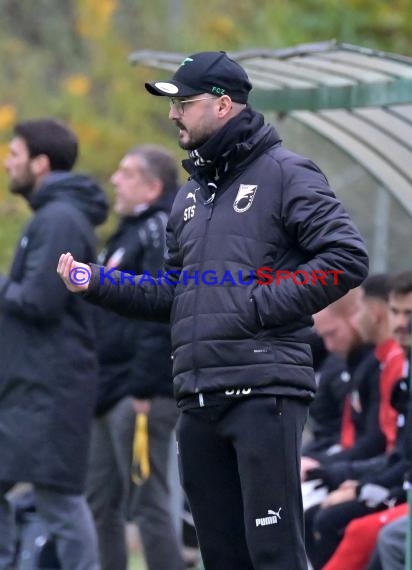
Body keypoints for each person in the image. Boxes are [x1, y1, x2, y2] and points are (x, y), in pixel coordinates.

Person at [57, 51, 368, 569]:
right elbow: (175, 297)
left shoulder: (286, 173)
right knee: (221, 556)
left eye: (185, 101)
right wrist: (97, 282)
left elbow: (345, 256)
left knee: (274, 553)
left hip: (264, 392)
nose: (174, 113)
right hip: (199, 397)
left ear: (224, 106)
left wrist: (258, 304)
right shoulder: (190, 197)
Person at [0, 118, 108, 569]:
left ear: (40, 164)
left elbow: (40, 299)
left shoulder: (59, 218)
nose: (7, 162)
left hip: (51, 386)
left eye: (15, 154)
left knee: (60, 500)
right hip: (30, 385)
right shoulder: (50, 215)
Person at [85, 145, 184, 570]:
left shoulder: (159, 230)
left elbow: (159, 311)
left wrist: (145, 386)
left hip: (139, 392)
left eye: (126, 173)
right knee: (99, 502)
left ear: (153, 185)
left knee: (148, 501)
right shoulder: (126, 232)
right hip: (108, 389)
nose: (115, 180)